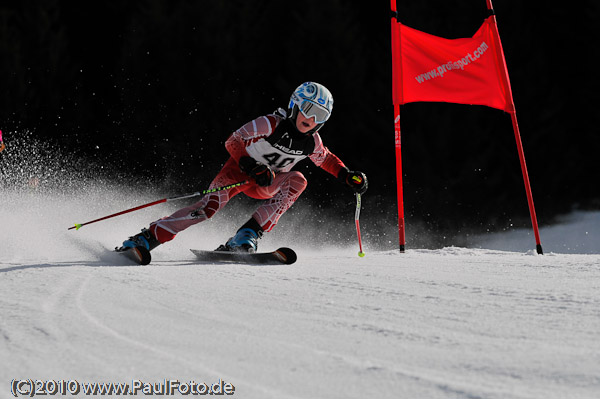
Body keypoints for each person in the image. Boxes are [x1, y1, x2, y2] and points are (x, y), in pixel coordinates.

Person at [121, 82, 368, 253]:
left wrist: (346, 175)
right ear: (296, 104)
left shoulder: (312, 141)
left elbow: (325, 159)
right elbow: (233, 140)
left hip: (266, 182)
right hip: (237, 174)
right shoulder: (270, 123)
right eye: (310, 110)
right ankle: (147, 238)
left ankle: (247, 234)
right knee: (208, 208)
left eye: (321, 116)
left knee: (298, 180)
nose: (312, 120)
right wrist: (249, 164)